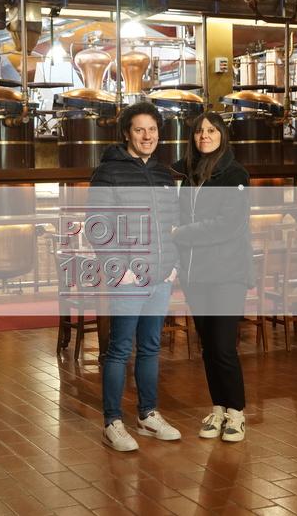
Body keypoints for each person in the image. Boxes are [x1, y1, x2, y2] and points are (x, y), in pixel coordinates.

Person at [88, 102, 181, 452]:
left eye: (152, 129)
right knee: (119, 350)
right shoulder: (108, 172)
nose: (147, 136)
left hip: (160, 276)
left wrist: (172, 265)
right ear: (127, 133)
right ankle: (112, 422)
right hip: (129, 277)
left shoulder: (163, 174)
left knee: (151, 348)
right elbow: (97, 226)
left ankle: (147, 415)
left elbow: (172, 224)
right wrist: (119, 269)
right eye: (140, 129)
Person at [171, 112, 253, 442]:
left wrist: (180, 233)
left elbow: (227, 225)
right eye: (199, 131)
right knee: (207, 347)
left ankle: (236, 413)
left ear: (222, 135)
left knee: (223, 346)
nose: (204, 135)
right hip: (196, 274)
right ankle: (218, 407)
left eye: (211, 130)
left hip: (227, 273)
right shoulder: (190, 173)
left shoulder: (235, 174)